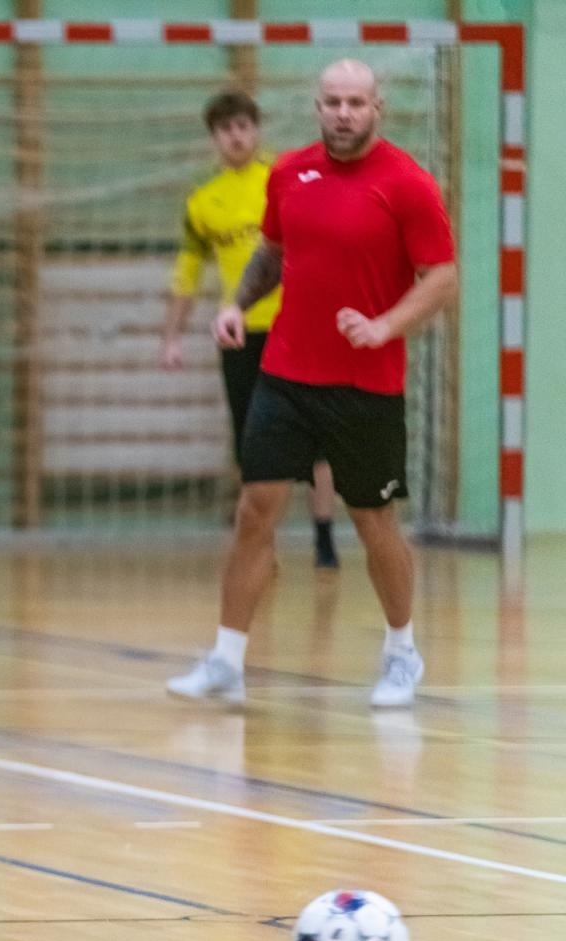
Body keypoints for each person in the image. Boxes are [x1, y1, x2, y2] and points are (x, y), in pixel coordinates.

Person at [165, 60, 457, 708]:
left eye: (356, 102)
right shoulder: (290, 173)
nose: (344, 113)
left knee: (373, 519)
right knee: (254, 510)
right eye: (333, 102)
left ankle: (401, 652)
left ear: (377, 107)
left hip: (366, 384)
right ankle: (227, 659)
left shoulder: (407, 183)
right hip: (286, 375)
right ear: (317, 106)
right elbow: (272, 253)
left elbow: (441, 277)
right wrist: (238, 305)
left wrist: (384, 326)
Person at [159, 89, 338, 568]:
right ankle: (263, 544)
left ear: (256, 130)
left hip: (299, 327)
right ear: (214, 138)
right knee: (253, 443)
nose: (236, 137)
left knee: (318, 437)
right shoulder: (204, 202)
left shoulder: (285, 180)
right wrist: (172, 337)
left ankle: (324, 540)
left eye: (243, 126)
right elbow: (187, 274)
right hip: (240, 334)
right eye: (226, 129)